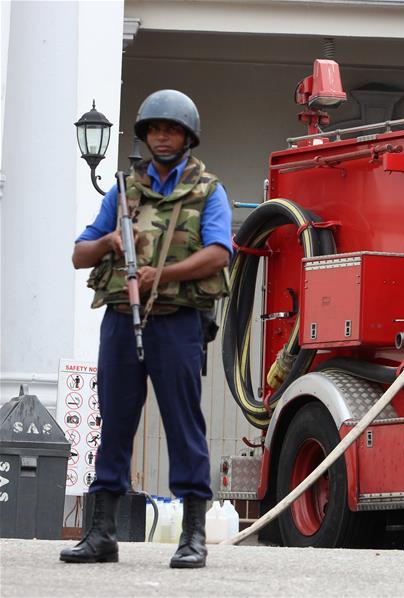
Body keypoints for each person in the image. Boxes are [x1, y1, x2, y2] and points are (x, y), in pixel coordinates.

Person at [60, 89, 231, 569]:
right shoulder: (123, 189)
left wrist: (165, 275)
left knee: (183, 424)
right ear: (144, 135)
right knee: (113, 423)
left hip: (176, 323)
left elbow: (220, 252)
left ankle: (192, 534)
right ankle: (101, 533)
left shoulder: (207, 190)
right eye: (155, 129)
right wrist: (112, 239)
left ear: (187, 137)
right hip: (119, 320)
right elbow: (80, 253)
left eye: (171, 129)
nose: (162, 137)